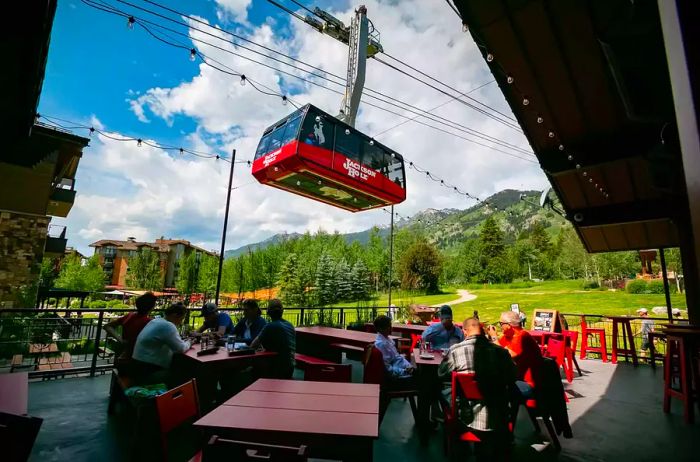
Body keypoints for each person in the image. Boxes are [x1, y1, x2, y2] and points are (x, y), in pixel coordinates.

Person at [439, 318, 517, 456]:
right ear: (483, 332)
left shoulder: (455, 351)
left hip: (466, 414)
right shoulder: (501, 352)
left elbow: (442, 373)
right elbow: (513, 376)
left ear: (465, 331)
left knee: (442, 392)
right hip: (498, 414)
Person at [132, 302, 191, 386]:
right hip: (149, 370)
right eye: (181, 319)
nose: (180, 322)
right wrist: (190, 342)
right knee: (186, 374)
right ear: (175, 315)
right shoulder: (168, 326)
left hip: (137, 366)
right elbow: (180, 348)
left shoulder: (156, 321)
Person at [487, 311, 542, 399]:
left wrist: (494, 337)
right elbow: (496, 351)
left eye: (501, 324)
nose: (500, 326)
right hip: (515, 378)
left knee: (494, 389)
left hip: (527, 382)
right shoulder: (508, 336)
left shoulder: (521, 335)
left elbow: (507, 354)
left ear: (508, 325)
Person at [103, 292, 156, 366]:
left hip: (123, 354)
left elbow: (107, 326)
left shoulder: (129, 316)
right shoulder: (149, 322)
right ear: (152, 307)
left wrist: (120, 339)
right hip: (137, 359)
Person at [251, 300, 296, 379]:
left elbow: (253, 345)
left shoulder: (270, 326)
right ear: (282, 311)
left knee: (250, 368)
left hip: (277, 369)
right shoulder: (290, 325)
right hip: (290, 367)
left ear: (268, 312)